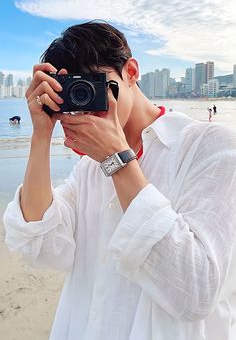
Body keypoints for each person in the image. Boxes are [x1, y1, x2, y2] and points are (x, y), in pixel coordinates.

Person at [3, 21, 236, 340]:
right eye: (74, 93)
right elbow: (43, 245)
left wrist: (118, 160)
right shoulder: (88, 168)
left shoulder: (210, 146)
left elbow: (195, 290)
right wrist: (41, 135)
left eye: (94, 85)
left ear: (131, 72)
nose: (88, 103)